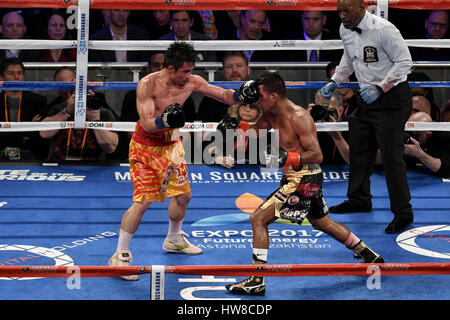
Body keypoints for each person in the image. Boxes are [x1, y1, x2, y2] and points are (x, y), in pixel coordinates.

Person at [225, 72, 383, 296]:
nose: (257, 101)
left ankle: (256, 279)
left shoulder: (298, 117)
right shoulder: (268, 114)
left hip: (305, 177)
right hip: (295, 176)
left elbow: (317, 155)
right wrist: (236, 125)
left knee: (258, 218)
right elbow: (250, 138)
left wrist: (286, 158)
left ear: (274, 95)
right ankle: (368, 254)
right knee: (322, 223)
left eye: (260, 96)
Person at [108, 41, 254, 281]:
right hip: (145, 148)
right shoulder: (148, 84)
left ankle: (174, 238)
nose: (189, 76)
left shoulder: (192, 81)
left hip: (172, 147)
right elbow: (145, 122)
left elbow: (225, 96)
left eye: (191, 70)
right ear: (170, 69)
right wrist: (163, 120)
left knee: (184, 196)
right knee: (143, 201)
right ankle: (119, 254)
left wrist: (242, 94)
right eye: (185, 71)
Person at [319, 0, 414, 234]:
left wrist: (381, 88)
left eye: (347, 11)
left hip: (391, 99)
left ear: (362, 8)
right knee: (360, 149)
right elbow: (348, 59)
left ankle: (403, 213)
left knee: (392, 158)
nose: (342, 16)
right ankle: (359, 199)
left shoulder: (383, 29)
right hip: (365, 97)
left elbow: (405, 63)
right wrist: (335, 81)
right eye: (339, 11)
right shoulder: (345, 29)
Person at [116, 51, 197, 161]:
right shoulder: (134, 95)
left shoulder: (185, 96)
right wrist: (163, 123)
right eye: (155, 65)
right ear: (148, 69)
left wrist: (168, 145)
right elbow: (130, 132)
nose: (160, 69)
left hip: (174, 150)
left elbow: (189, 132)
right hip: (144, 149)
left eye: (163, 66)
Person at [39, 67, 119, 161]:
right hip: (60, 163)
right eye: (78, 94)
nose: (82, 98)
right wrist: (67, 112)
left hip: (93, 166)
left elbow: (111, 148)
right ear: (70, 95)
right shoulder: (59, 109)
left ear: (92, 93)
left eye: (85, 93)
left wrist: (95, 121)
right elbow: (44, 133)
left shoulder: (103, 113)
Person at [0, 58, 48, 160]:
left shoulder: (38, 101)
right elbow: (30, 132)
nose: (16, 77)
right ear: (2, 78)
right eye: (11, 73)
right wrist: (25, 131)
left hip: (30, 153)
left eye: (19, 73)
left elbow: (38, 134)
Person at [197, 51, 251, 123]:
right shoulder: (211, 97)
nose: (234, 70)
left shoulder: (258, 96)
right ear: (223, 71)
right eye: (229, 67)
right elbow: (202, 129)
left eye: (239, 65)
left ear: (248, 70)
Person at [207, 102, 262, 168]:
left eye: (252, 107)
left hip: (255, 171)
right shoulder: (225, 126)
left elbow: (272, 153)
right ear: (238, 108)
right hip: (224, 171)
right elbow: (207, 153)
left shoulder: (266, 129)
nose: (247, 109)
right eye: (244, 105)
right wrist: (218, 159)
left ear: (258, 111)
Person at [404, 111, 450, 178]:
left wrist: (420, 154)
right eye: (409, 131)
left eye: (416, 133)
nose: (411, 136)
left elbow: (446, 170)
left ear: (428, 135)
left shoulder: (443, 137)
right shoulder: (404, 134)